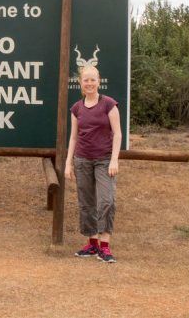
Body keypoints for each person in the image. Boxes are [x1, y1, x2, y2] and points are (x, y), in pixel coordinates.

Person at [65, 65, 122, 263]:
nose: (89, 83)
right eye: (85, 80)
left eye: (92, 79)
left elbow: (118, 134)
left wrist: (114, 159)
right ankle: (92, 244)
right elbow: (73, 138)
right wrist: (68, 163)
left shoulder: (109, 104)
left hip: (104, 160)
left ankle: (105, 247)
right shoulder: (76, 108)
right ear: (80, 83)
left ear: (99, 81)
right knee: (86, 203)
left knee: (106, 201)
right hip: (82, 160)